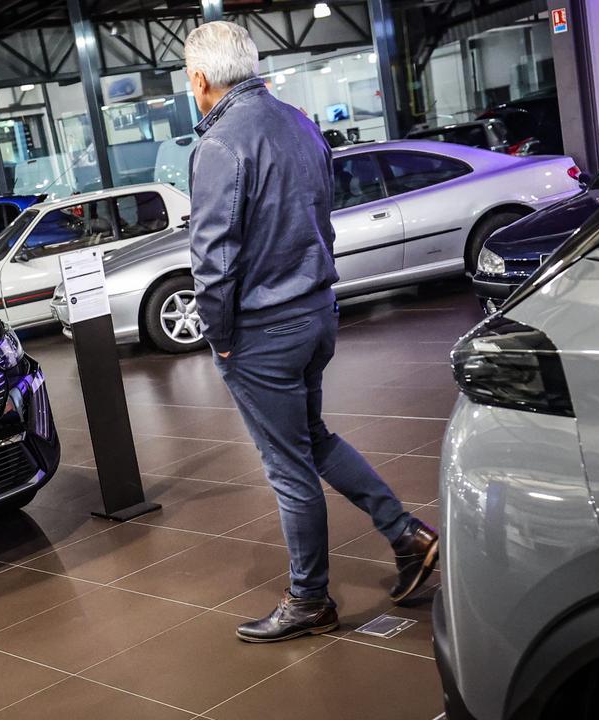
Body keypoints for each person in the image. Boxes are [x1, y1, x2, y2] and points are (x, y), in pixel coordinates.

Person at [183, 22, 439, 643]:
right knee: (313, 437)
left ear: (200, 80)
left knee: (287, 465)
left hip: (262, 330)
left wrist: (219, 336)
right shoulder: (299, 122)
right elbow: (321, 219)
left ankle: (309, 600)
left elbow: (213, 259)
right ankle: (407, 537)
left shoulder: (219, 146)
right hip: (317, 311)